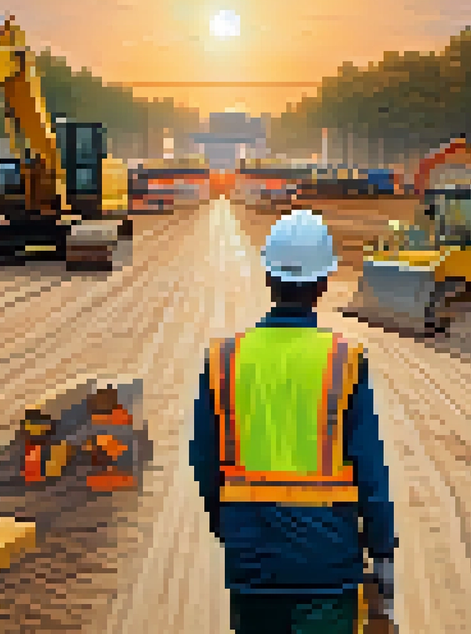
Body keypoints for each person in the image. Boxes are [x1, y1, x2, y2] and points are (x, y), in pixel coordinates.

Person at [190, 209, 399, 633]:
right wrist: (381, 551)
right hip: (327, 565)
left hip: (252, 563)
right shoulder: (344, 360)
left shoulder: (224, 360)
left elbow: (205, 465)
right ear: (323, 284)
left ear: (268, 278)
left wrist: (230, 527)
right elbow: (370, 472)